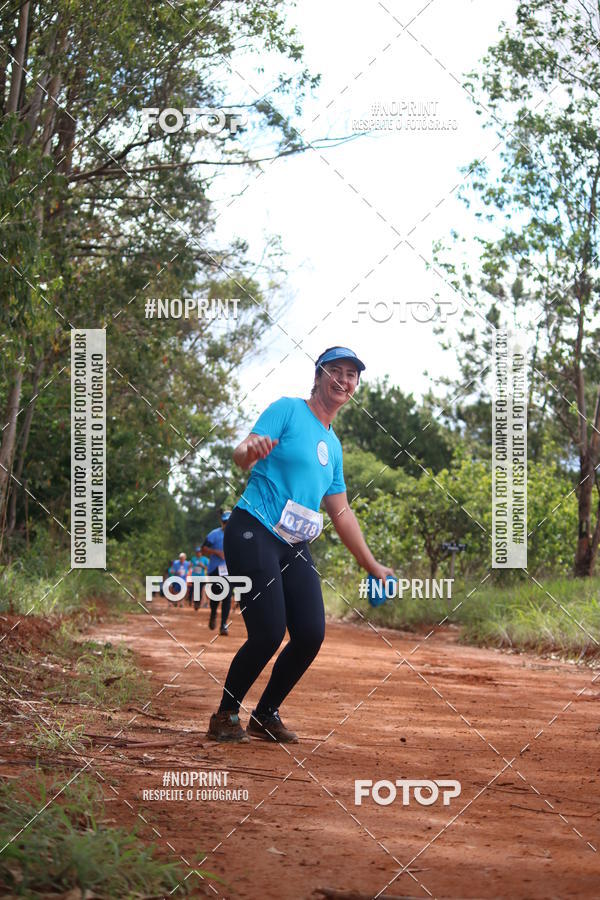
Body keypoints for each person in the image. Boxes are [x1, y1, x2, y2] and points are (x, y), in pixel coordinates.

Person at [206, 346, 395, 744]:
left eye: (352, 375)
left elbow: (341, 513)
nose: (344, 380)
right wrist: (248, 452)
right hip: (253, 529)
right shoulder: (288, 410)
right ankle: (225, 714)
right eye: (336, 371)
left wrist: (372, 565)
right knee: (269, 632)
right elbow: (243, 451)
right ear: (319, 375)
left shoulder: (334, 446)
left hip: (293, 543)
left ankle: (265, 714)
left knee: (310, 634)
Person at [202, 512, 232, 635]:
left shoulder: (237, 535)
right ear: (221, 522)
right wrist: (216, 552)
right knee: (216, 596)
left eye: (228, 522)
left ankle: (223, 625)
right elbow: (203, 549)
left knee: (227, 596)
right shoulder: (214, 534)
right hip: (215, 570)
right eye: (224, 522)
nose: (226, 524)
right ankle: (213, 613)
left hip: (230, 571)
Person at [190, 546, 210, 610]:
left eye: (199, 552)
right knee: (195, 589)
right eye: (197, 552)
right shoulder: (193, 559)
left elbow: (208, 568)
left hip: (201, 577)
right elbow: (190, 567)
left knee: (200, 590)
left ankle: (198, 603)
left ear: (201, 552)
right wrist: (191, 566)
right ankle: (196, 603)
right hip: (194, 577)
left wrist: (202, 566)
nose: (198, 553)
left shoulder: (205, 559)